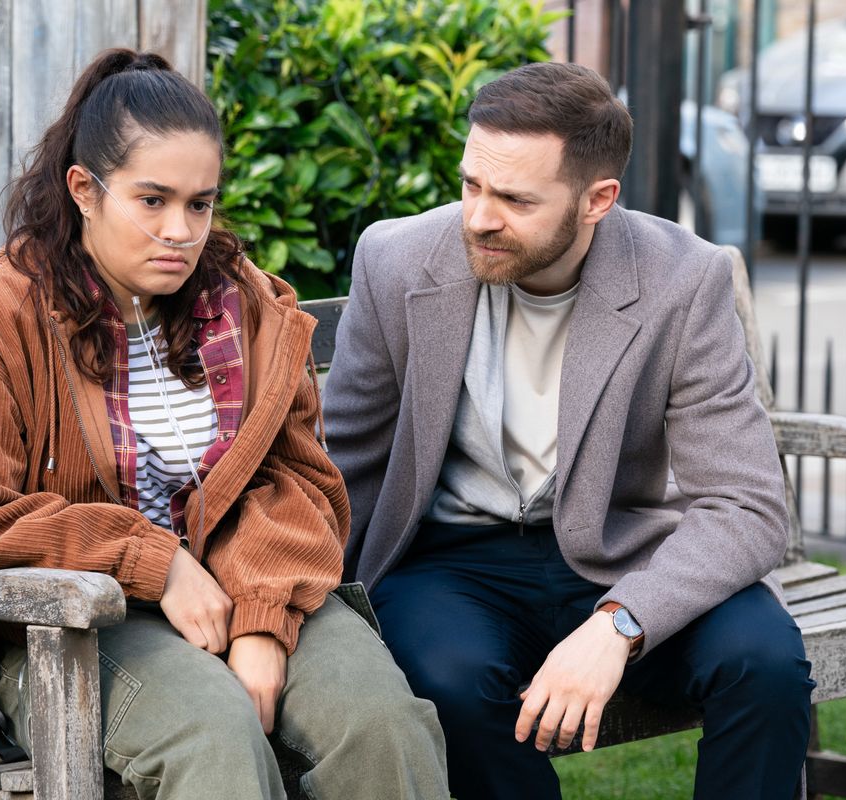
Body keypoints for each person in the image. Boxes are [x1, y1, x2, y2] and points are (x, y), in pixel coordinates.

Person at [0, 49, 448, 800]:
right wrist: (156, 562)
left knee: (385, 727)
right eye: (151, 201)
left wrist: (259, 620)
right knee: (214, 737)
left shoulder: (244, 306)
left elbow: (297, 480)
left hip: (258, 583)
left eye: (200, 203)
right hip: (79, 626)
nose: (180, 231)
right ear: (85, 191)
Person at [322, 61, 815, 800]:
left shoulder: (683, 281)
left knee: (766, 664)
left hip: (629, 550)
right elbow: (342, 461)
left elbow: (746, 506)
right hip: (456, 566)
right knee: (443, 682)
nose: (480, 217)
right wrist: (294, 605)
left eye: (515, 198)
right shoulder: (396, 261)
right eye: (471, 185)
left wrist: (619, 623)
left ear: (597, 201)